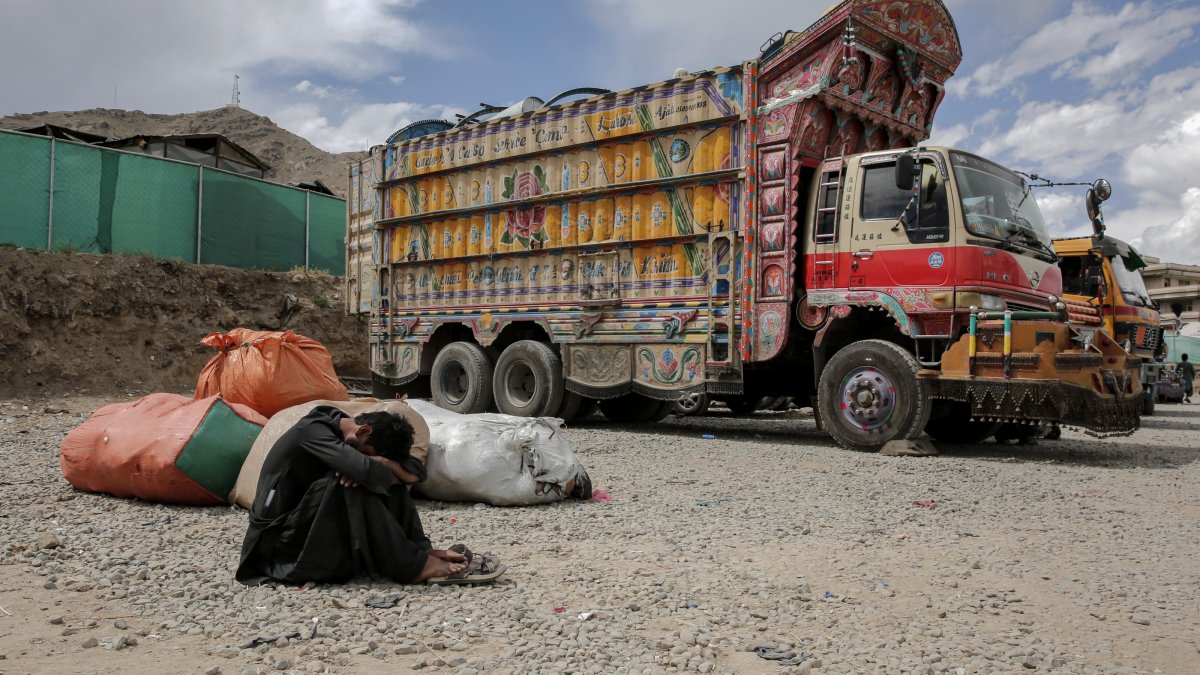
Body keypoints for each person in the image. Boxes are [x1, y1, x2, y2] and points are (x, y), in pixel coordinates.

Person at [236, 406, 493, 586]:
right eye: (369, 453)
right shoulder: (313, 432)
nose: (368, 458)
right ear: (363, 431)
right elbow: (369, 472)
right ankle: (412, 565)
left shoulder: (350, 432)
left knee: (379, 478)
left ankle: (419, 552)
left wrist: (387, 464)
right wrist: (375, 469)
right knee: (349, 482)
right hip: (280, 551)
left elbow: (415, 471)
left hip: (311, 534)